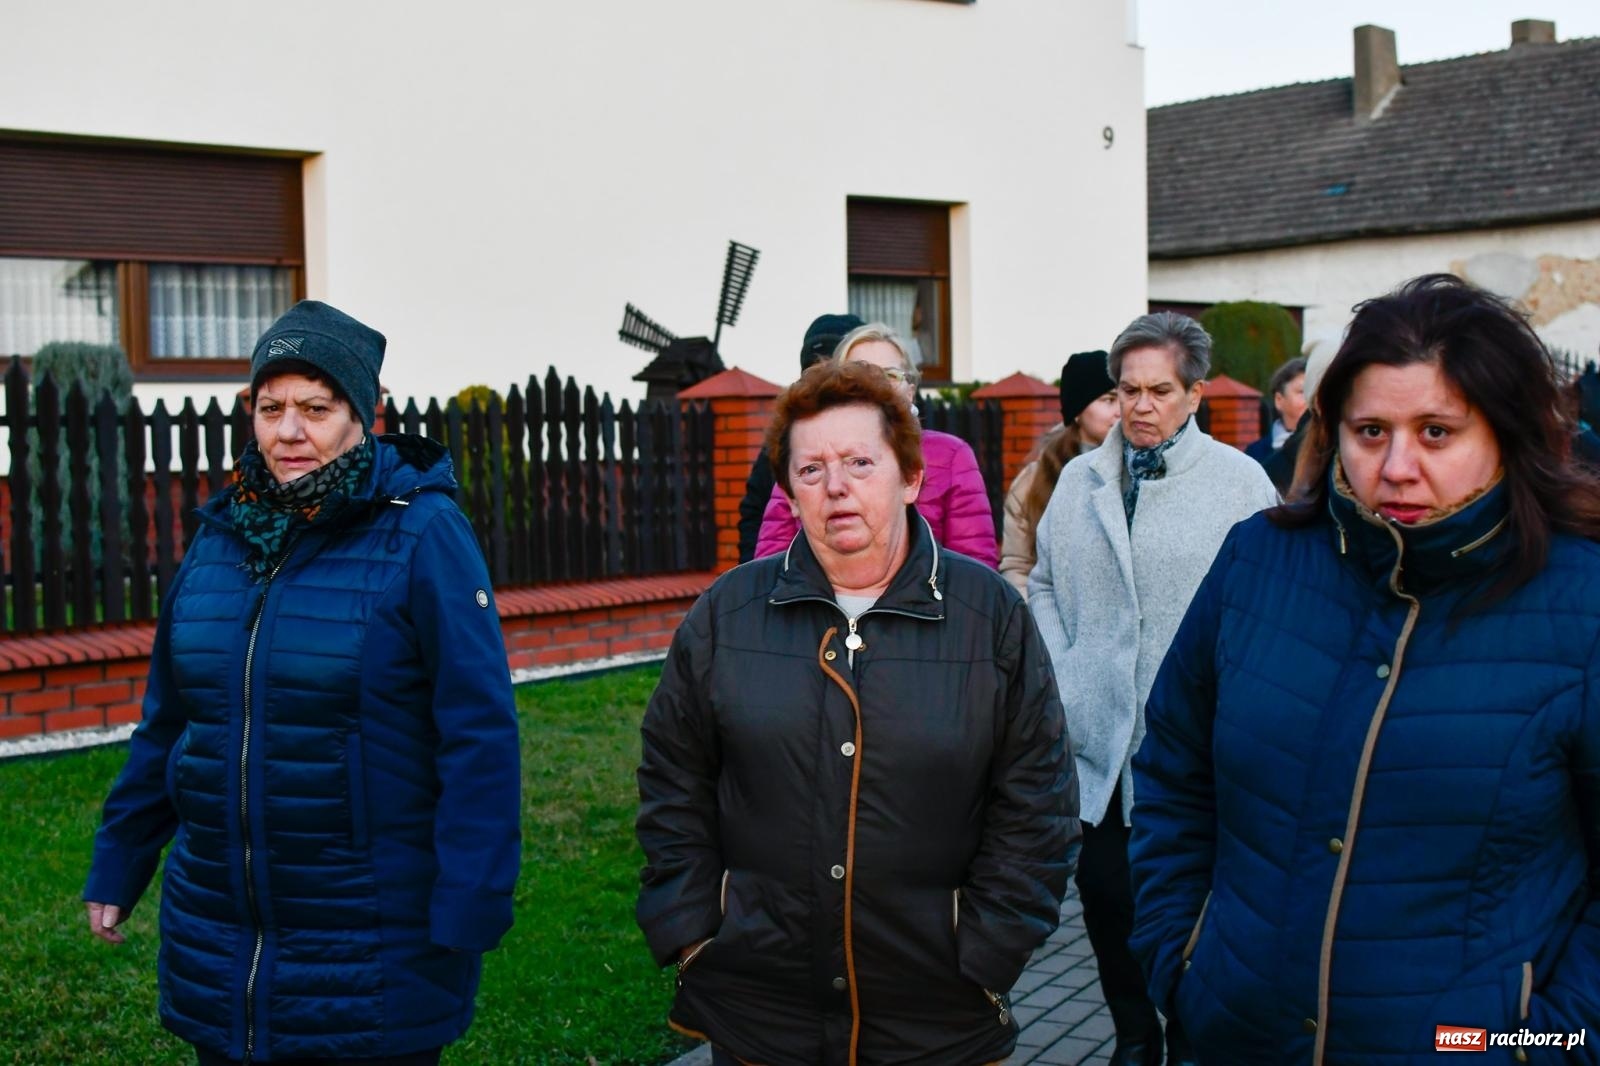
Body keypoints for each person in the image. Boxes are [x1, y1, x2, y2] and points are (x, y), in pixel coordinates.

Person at [1129, 275, 1600, 1065]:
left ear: (1505, 432)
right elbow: (1175, 773)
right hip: (1236, 1033)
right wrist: (1185, 961)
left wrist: (1537, 1043)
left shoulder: (1582, 605)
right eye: (1371, 430)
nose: (1398, 466)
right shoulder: (1258, 561)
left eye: (1438, 432)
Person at [83, 301, 522, 1066]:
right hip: (219, 937)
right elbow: (171, 723)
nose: (289, 432)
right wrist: (121, 860)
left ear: (364, 415)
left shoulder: (424, 534)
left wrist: (471, 898)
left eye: (316, 409)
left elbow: (478, 731)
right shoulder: (221, 539)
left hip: (370, 940)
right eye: (271, 407)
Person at [637, 358, 1078, 1065]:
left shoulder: (987, 615)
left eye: (859, 462)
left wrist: (989, 945)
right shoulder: (729, 614)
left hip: (934, 1014)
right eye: (810, 470)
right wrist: (695, 931)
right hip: (762, 1013)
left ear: (910, 477)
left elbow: (1038, 797)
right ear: (788, 490)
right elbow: (672, 778)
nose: (835, 487)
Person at [1028, 311, 1277, 1066]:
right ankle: (1133, 1039)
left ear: (1195, 393)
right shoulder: (1078, 478)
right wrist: (1063, 673)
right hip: (1097, 752)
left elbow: (1267, 605)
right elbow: (1041, 583)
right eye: (1128, 389)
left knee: (1193, 914)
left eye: (1159, 390)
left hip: (1194, 756)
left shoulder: (1240, 483)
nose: (1140, 405)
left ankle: (1193, 1039)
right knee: (1108, 907)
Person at [754, 323, 999, 566]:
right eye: (860, 372)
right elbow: (772, 562)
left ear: (910, 390)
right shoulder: (808, 455)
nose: (876, 385)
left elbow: (974, 566)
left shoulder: (951, 455)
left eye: (890, 375)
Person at [737, 312, 863, 562]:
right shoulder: (786, 441)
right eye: (814, 371)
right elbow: (755, 514)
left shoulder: (893, 437)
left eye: (833, 368)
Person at [1000, 350, 1119, 597]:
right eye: (1108, 399)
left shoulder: (1140, 470)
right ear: (1078, 410)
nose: (1120, 410)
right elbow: (1018, 566)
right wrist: (1035, 623)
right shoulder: (1035, 481)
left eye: (1123, 398)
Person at [1245, 356, 1308, 464]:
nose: (1310, 398)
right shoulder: (1255, 454)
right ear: (1279, 400)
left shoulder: (1332, 449)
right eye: (1302, 391)